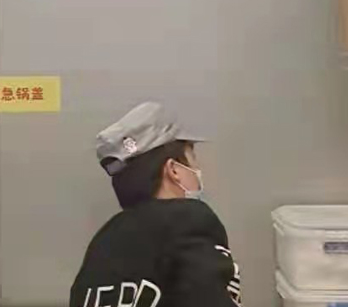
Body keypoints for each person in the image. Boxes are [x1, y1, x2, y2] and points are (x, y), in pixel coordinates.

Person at [70, 102, 242, 307]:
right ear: (173, 170)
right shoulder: (188, 222)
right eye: (192, 159)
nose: (197, 170)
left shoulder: (102, 244)